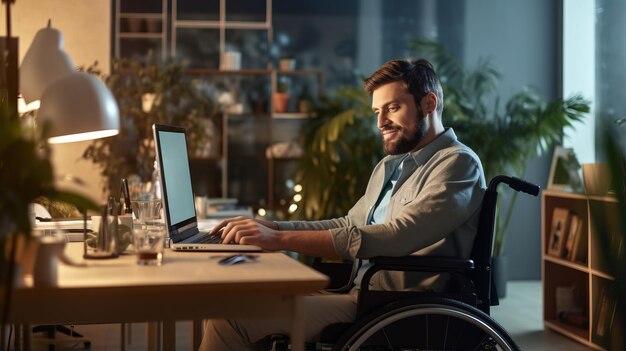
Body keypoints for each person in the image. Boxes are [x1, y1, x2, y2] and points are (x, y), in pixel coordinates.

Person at [200, 58, 486, 350]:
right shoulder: (390, 165)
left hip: (398, 307)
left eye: (392, 108)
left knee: (231, 318)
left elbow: (401, 235)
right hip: (359, 292)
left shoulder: (458, 163)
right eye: (377, 111)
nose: (381, 122)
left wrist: (279, 239)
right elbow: (349, 224)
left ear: (428, 103)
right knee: (234, 303)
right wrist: (273, 227)